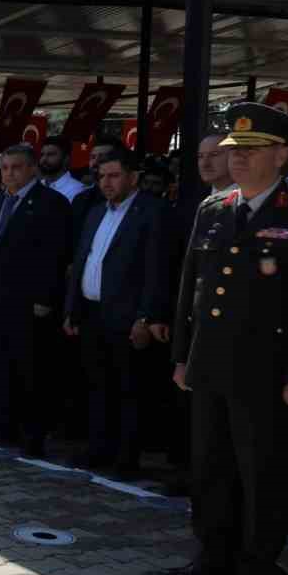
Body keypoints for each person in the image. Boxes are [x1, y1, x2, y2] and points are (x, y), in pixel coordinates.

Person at [165, 103, 288, 575]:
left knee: (262, 474)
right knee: (210, 467)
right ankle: (214, 554)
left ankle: (258, 569)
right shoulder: (214, 209)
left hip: (267, 373)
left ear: (281, 154)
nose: (239, 161)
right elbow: (191, 292)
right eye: (234, 151)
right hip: (211, 366)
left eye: (251, 151)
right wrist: (183, 358)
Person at [62, 147, 175, 476]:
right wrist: (73, 309)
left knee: (129, 391)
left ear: (133, 177)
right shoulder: (97, 212)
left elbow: (157, 271)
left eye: (114, 176)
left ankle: (126, 459)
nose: (106, 182)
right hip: (93, 314)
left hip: (128, 319)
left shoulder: (153, 212)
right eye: (101, 177)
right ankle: (99, 449)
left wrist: (146, 317)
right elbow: (84, 260)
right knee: (98, 387)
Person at [0, 143, 72, 456]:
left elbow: (55, 255)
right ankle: (2, 427)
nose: (9, 173)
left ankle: (32, 435)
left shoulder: (50, 202)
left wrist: (45, 297)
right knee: (0, 366)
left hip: (29, 302)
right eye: (4, 168)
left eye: (16, 167)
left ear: (32, 168)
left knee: (31, 370)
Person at [40, 136, 88, 202]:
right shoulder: (37, 185)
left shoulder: (76, 190)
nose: (44, 159)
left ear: (66, 159)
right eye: (42, 154)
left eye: (51, 154)